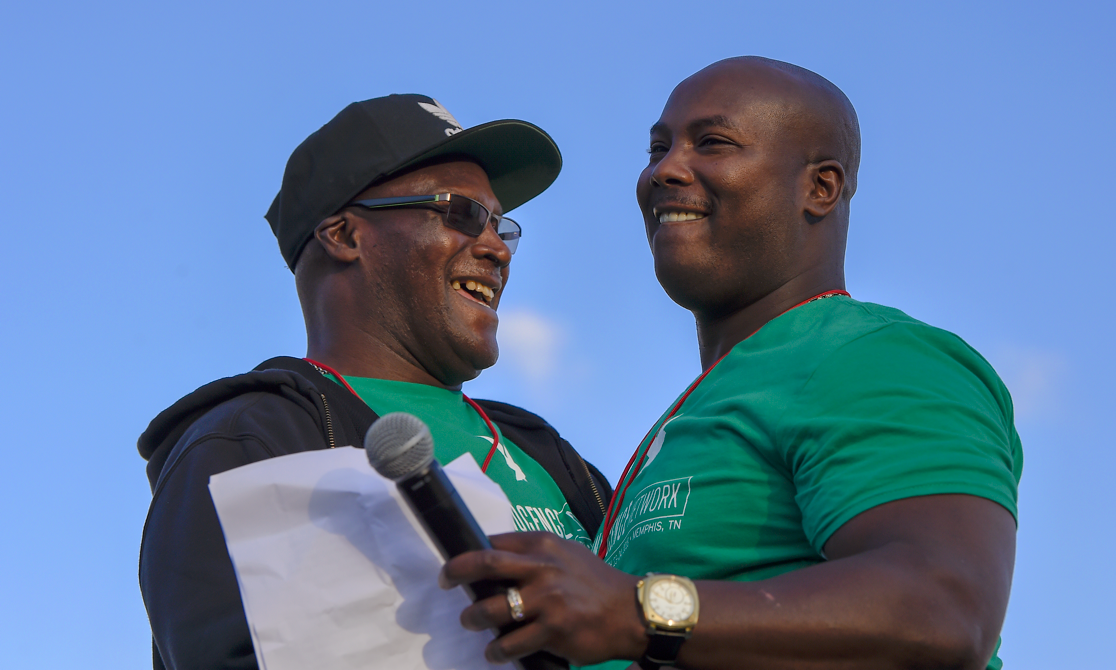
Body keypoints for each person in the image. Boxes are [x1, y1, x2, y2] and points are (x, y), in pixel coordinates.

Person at [439, 57, 1023, 670]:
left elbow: (946, 608)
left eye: (712, 143)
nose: (665, 169)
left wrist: (639, 611)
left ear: (819, 188)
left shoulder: (872, 355)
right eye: (657, 148)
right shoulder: (718, 394)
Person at [137, 94, 612, 670]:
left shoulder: (548, 453)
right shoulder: (250, 440)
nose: (495, 248)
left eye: (501, 226)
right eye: (460, 213)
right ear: (343, 234)